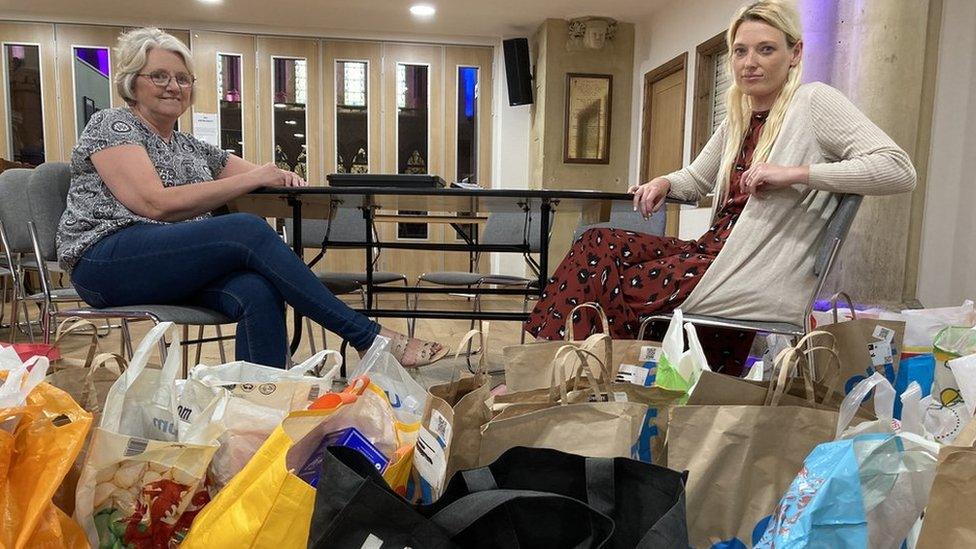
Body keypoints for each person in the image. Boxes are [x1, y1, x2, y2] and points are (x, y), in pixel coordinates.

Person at [525, 0, 917, 361]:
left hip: (745, 269)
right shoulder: (739, 116)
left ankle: (581, 368)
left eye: (766, 49)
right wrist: (664, 181)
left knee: (617, 281)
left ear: (794, 53)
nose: (750, 62)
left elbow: (898, 169)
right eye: (741, 51)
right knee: (597, 241)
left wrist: (796, 174)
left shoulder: (814, 102)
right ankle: (567, 363)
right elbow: (696, 179)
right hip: (709, 252)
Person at [57, 27, 447, 368]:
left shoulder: (190, 146)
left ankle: (258, 407)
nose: (173, 86)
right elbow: (153, 204)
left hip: (170, 267)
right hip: (105, 262)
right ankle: (367, 336)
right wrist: (258, 175)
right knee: (245, 228)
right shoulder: (113, 123)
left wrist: (279, 176)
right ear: (131, 83)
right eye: (158, 76)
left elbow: (264, 176)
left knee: (255, 290)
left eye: (182, 78)